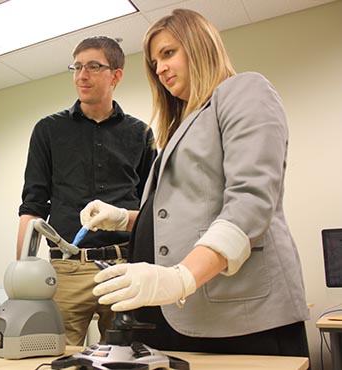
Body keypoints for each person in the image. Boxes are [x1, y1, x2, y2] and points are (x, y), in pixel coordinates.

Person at [81, 9, 310, 358]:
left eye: (169, 53)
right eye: (155, 62)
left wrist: (181, 277)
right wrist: (126, 218)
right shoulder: (178, 127)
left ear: (200, 46)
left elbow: (251, 201)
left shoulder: (243, 90)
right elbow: (184, 211)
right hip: (177, 314)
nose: (159, 69)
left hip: (238, 315)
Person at [17, 36, 156, 346]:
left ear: (116, 75)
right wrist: (22, 274)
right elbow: (32, 206)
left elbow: (154, 207)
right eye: (77, 67)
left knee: (126, 358)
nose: (82, 75)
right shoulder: (47, 130)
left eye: (93, 66)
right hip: (67, 267)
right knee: (53, 357)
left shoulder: (141, 133)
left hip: (124, 266)